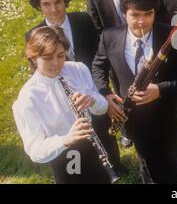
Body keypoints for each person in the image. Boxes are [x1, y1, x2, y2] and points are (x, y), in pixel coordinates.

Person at [92, 0, 177, 183]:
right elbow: (98, 67)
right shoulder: (109, 37)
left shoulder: (171, 35)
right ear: (124, 12)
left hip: (167, 116)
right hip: (133, 118)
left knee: (172, 167)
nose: (142, 22)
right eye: (135, 15)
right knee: (146, 165)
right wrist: (105, 94)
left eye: (148, 14)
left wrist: (160, 89)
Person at [13, 27, 110, 184]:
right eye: (47, 58)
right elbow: (35, 150)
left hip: (93, 144)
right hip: (64, 156)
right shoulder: (27, 99)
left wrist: (92, 101)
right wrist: (65, 139)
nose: (56, 64)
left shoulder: (78, 69)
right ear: (33, 58)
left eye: (60, 55)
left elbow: (102, 108)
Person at [86, 0, 133, 150]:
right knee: (119, 92)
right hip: (114, 54)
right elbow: (97, 29)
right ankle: (125, 128)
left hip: (139, 48)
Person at [26, 0, 98, 71]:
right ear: (39, 6)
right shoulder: (34, 35)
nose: (53, 9)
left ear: (65, 0)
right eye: (46, 4)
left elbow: (99, 56)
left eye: (58, 2)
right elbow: (38, 70)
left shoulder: (83, 20)